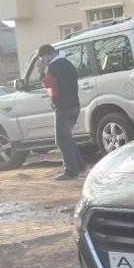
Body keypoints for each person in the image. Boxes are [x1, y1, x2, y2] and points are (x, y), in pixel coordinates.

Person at [37, 43, 82, 180]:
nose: (42, 61)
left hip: (63, 108)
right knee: (67, 138)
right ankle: (79, 165)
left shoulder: (54, 66)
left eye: (42, 58)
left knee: (61, 140)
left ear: (47, 55)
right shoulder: (67, 63)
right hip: (74, 105)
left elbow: (48, 84)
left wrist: (41, 73)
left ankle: (71, 171)